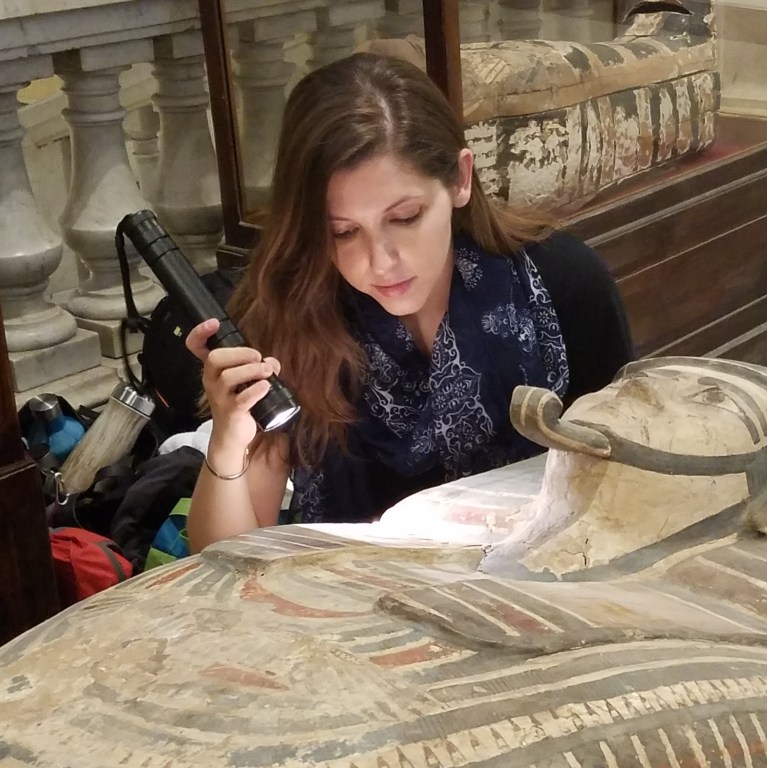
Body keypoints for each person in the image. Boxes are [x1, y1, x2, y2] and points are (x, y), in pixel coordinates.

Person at [185, 52, 634, 552]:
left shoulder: (562, 285)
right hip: (353, 606)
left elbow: (627, 489)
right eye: (344, 232)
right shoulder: (297, 311)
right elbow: (223, 557)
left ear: (460, 179)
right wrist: (227, 437)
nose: (381, 262)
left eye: (405, 217)